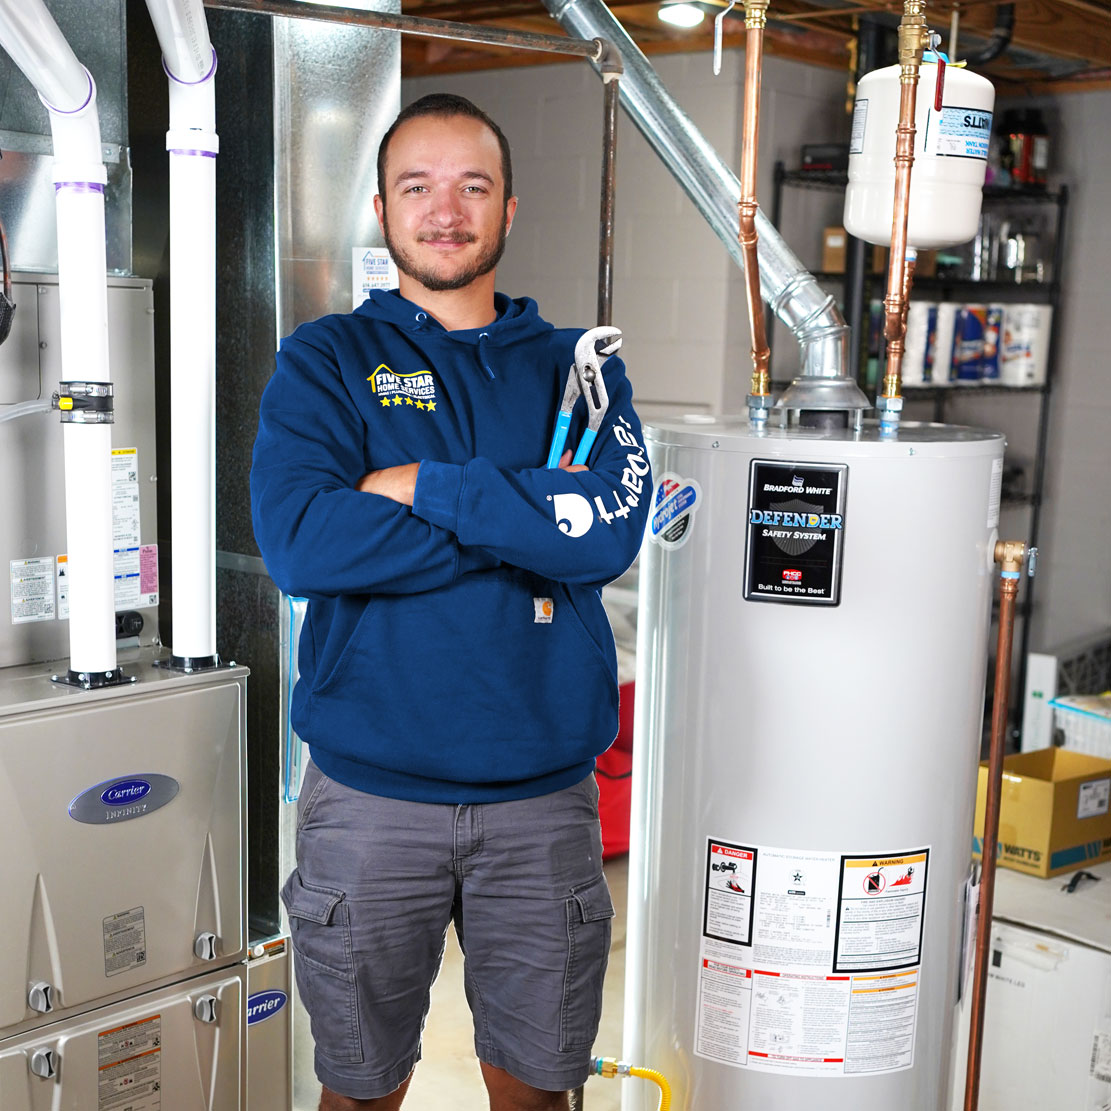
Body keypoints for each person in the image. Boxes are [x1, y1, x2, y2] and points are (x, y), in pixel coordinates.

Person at [251, 93, 650, 1111]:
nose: (444, 210)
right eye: (416, 187)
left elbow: (605, 534)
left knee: (538, 1090)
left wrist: (426, 485)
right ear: (381, 211)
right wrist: (526, 525)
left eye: (471, 186)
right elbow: (304, 542)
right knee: (358, 1090)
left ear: (508, 209)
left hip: (541, 805)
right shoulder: (326, 360)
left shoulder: (578, 369)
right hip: (371, 803)